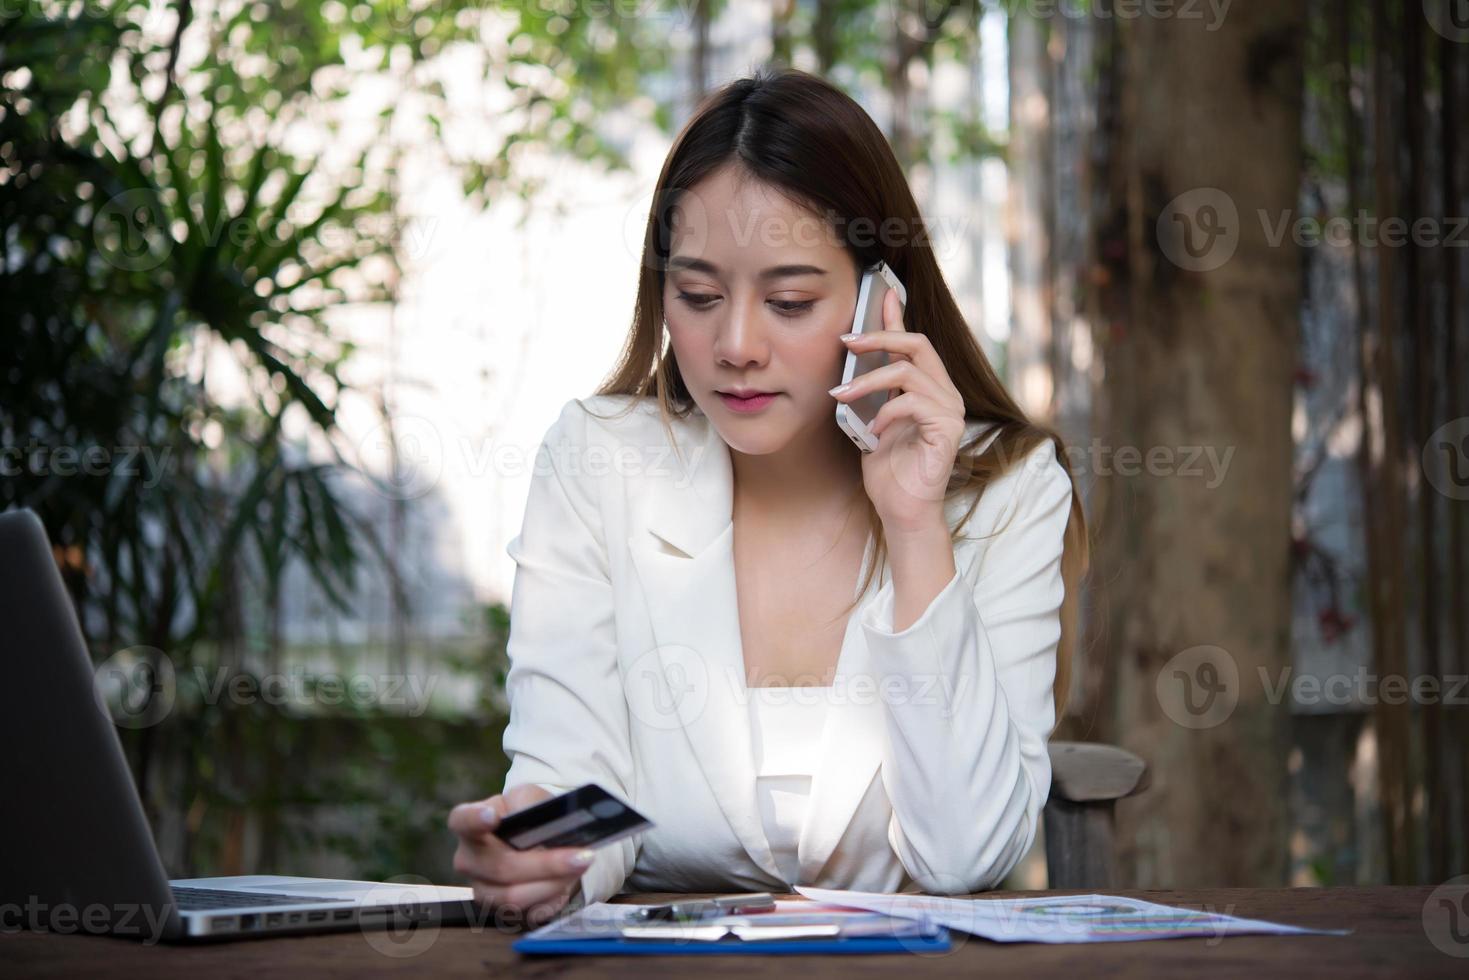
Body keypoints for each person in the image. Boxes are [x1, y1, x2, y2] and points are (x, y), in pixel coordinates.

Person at [447, 67, 1087, 929]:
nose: (735, 344)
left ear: (880, 299)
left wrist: (912, 523)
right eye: (698, 296)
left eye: (788, 300)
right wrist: (541, 863)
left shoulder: (1010, 488)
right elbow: (573, 775)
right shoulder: (597, 461)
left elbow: (966, 855)